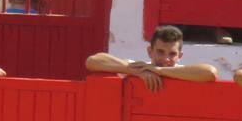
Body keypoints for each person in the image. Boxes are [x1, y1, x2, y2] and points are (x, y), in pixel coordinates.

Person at [85, 25, 218, 92]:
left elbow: (210, 73)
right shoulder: (142, 68)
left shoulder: (184, 71)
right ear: (150, 51)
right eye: (160, 52)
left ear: (180, 56)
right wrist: (137, 71)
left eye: (172, 54)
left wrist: (158, 71)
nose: (166, 59)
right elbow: (93, 61)